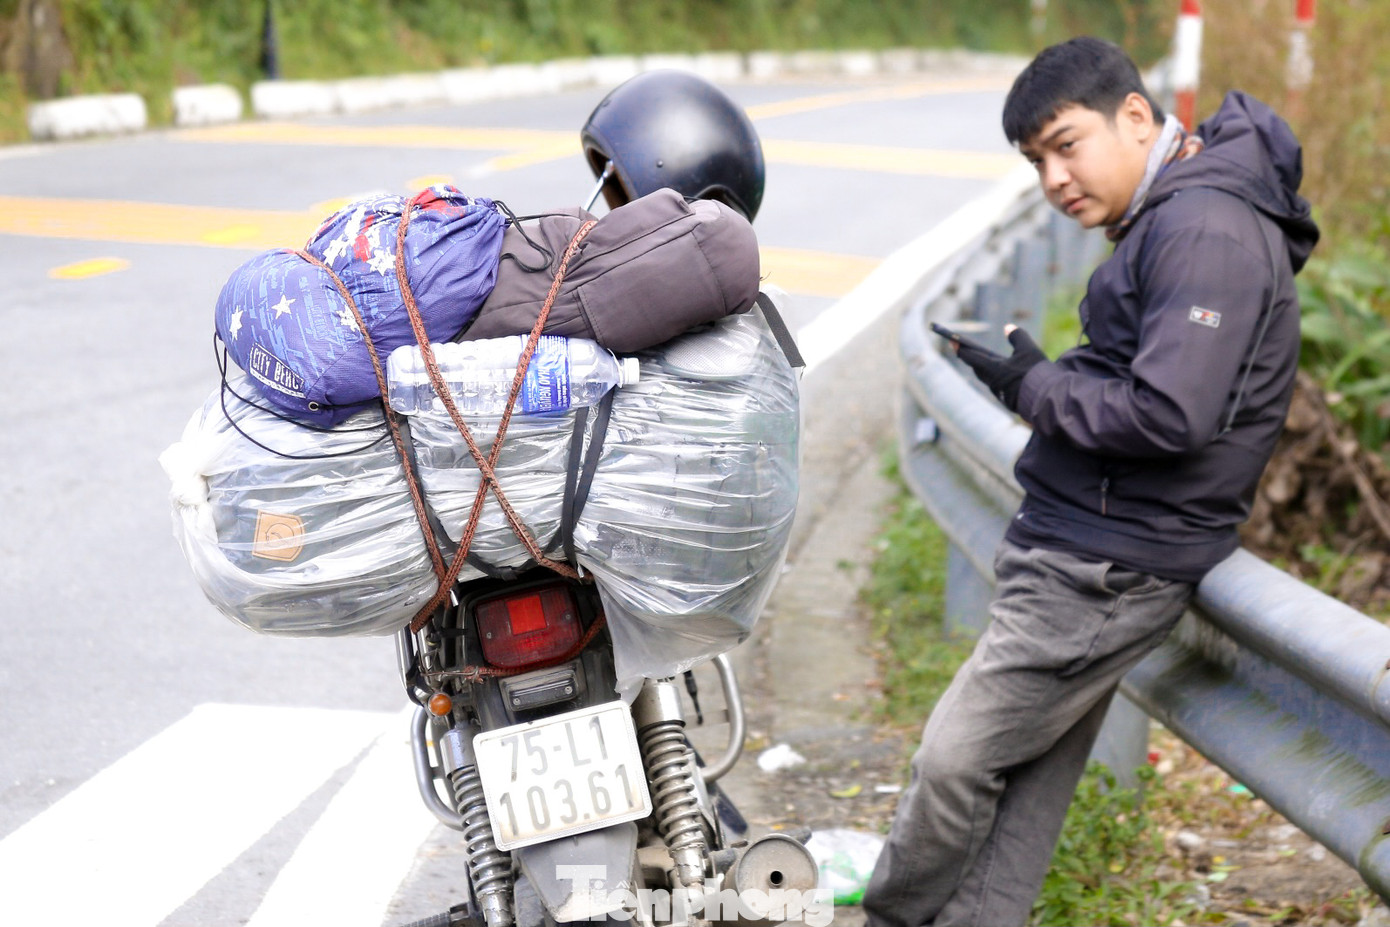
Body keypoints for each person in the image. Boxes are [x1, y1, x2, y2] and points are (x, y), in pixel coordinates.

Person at [862, 35, 1319, 927]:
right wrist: (1044, 376)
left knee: (954, 761)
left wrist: (1035, 386)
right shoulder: (1178, 214)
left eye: (1067, 144)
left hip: (1109, 561)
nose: (1054, 179)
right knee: (1020, 799)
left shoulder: (1208, 228)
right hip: (1099, 541)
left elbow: (1169, 414)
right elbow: (1144, 379)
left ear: (1137, 118)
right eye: (1038, 161)